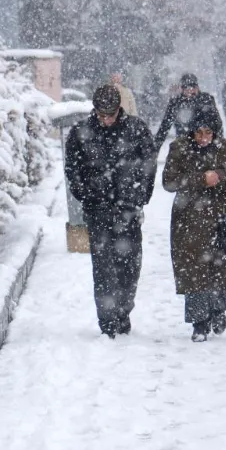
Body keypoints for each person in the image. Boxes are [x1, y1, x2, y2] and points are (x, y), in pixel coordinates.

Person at [65, 84, 157, 338]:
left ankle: (124, 311)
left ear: (119, 109)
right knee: (103, 267)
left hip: (128, 208)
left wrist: (140, 195)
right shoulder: (81, 132)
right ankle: (107, 320)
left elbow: (149, 164)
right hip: (98, 210)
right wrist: (86, 194)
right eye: (101, 114)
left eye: (110, 114)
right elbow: (72, 169)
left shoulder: (136, 130)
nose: (106, 120)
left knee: (129, 266)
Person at [162, 110, 226, 342]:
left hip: (219, 218)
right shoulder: (179, 148)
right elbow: (168, 181)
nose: (203, 137)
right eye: (198, 132)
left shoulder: (224, 147)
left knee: (224, 273)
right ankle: (199, 324)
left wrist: (219, 175)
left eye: (208, 132)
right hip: (188, 220)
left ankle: (218, 310)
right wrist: (200, 179)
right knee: (194, 273)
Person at [153, 73, 223, 150]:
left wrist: (218, 141)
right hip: (184, 144)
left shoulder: (206, 99)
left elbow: (217, 123)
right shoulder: (176, 103)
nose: (191, 90)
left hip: (205, 142)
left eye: (194, 87)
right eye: (187, 88)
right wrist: (155, 149)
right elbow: (165, 126)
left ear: (197, 87)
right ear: (182, 89)